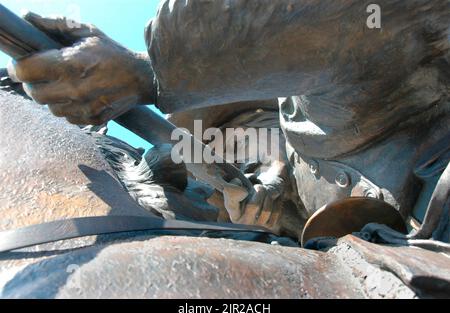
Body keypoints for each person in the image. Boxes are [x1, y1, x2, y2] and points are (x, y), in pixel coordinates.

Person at [7, 0, 450, 241]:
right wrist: (272, 215)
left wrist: (152, 72)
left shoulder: (309, 104)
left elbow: (363, 16)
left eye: (240, 131)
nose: (235, 148)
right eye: (221, 140)